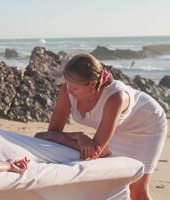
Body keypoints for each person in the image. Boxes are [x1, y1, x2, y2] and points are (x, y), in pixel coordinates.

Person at [35, 53, 167, 200]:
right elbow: (52, 134)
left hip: (146, 125)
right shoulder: (67, 92)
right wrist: (79, 136)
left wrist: (82, 142)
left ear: (91, 85)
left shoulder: (116, 97)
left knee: (137, 191)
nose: (69, 91)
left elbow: (94, 151)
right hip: (116, 128)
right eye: (67, 84)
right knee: (112, 185)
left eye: (74, 88)